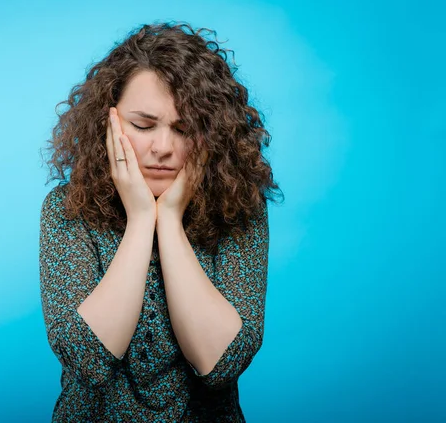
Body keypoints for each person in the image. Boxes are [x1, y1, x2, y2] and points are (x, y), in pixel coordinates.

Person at [39, 21, 282, 422]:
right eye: (143, 125)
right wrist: (139, 220)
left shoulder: (241, 211)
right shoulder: (67, 210)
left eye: (184, 129)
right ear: (109, 123)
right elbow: (90, 362)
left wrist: (168, 219)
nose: (163, 148)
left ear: (211, 135)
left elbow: (220, 365)